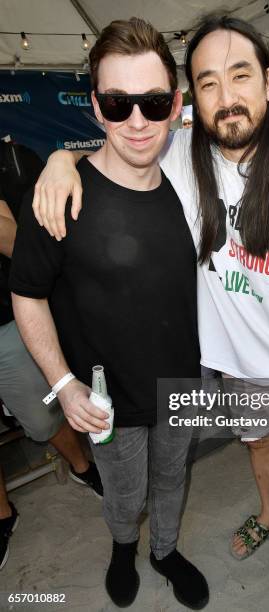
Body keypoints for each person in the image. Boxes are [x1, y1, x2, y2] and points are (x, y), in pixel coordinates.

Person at [28, 14, 269, 612]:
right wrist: (61, 158)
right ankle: (267, 514)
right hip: (232, 369)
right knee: (257, 447)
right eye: (209, 82)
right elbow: (126, 144)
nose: (226, 97)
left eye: (240, 76)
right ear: (193, 99)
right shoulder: (188, 162)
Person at [9, 18, 208, 609]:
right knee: (125, 492)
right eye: (119, 103)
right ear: (96, 106)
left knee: (173, 480)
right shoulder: (58, 197)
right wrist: (63, 385)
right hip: (104, 398)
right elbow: (26, 293)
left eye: (151, 101)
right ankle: (124, 546)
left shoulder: (189, 177)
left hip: (182, 382)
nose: (138, 122)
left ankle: (165, 551)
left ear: (174, 104)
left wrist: (60, 154)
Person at [0, 145, 103, 571]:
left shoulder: (13, 163)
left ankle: (81, 465)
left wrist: (63, 157)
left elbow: (21, 244)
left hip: (7, 328)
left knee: (43, 418)